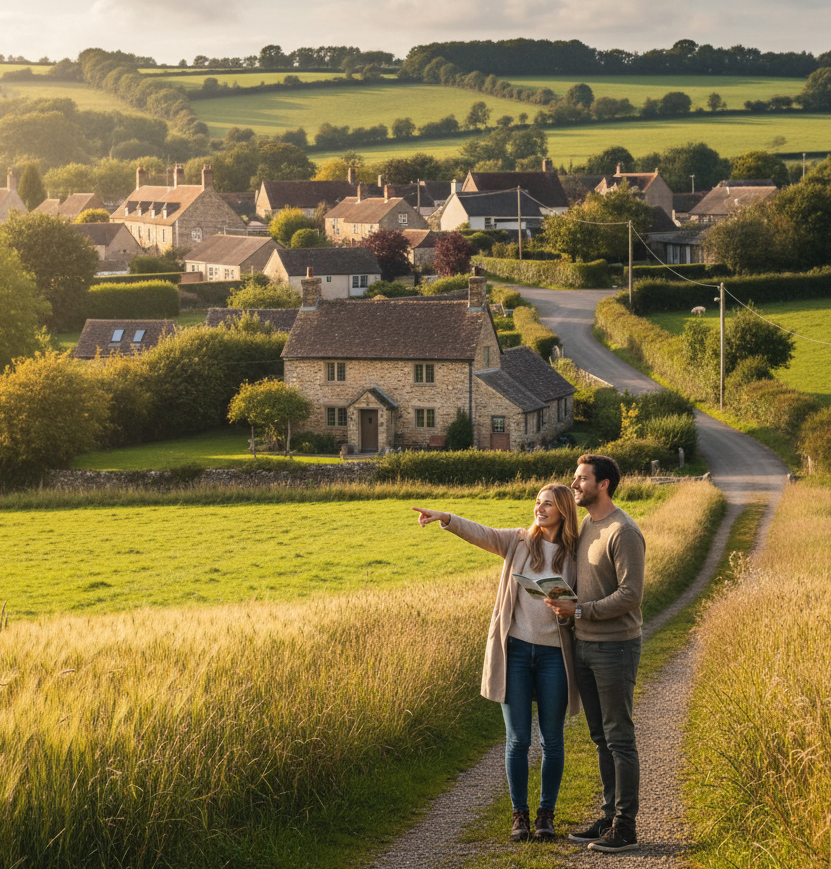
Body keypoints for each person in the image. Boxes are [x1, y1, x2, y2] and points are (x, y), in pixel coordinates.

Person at [413, 484, 582, 843]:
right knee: (518, 739)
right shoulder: (519, 542)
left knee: (552, 740)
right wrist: (446, 518)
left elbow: (587, 601)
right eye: (537, 502)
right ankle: (519, 814)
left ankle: (545, 815)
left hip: (555, 655)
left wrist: (571, 609)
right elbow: (482, 533)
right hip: (516, 652)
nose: (539, 508)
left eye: (548, 504)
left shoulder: (577, 554)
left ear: (564, 511)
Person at [546, 454, 646, 853]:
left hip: (616, 647)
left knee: (619, 737)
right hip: (584, 645)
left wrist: (582, 610)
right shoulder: (587, 524)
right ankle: (608, 817)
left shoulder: (623, 531)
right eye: (575, 477)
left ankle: (626, 827)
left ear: (603, 484)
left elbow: (631, 594)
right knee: (601, 737)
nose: (575, 484)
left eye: (581, 478)